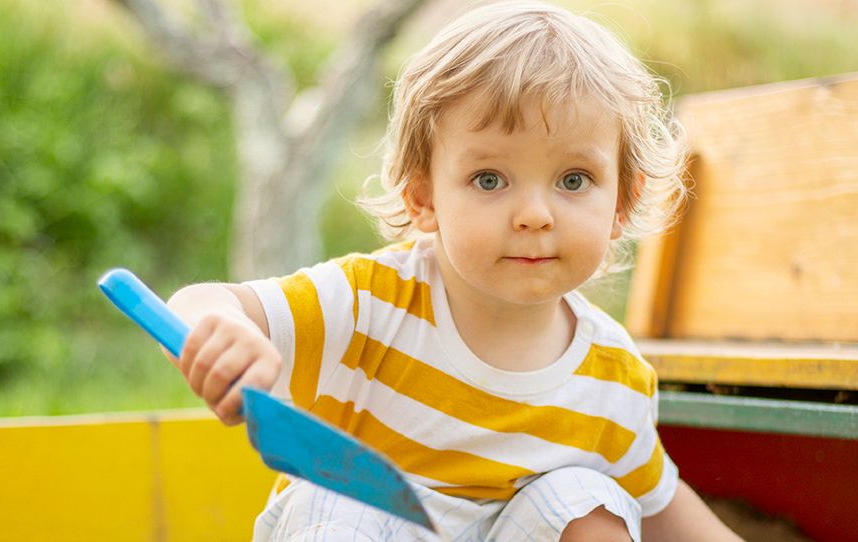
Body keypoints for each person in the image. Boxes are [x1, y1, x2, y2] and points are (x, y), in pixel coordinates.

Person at [164, 1, 742, 540]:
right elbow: (202, 302)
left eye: (573, 180)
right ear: (424, 197)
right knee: (336, 499)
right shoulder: (373, 304)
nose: (535, 215)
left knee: (589, 502)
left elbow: (665, 509)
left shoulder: (612, 380)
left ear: (620, 202)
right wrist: (219, 331)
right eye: (490, 179)